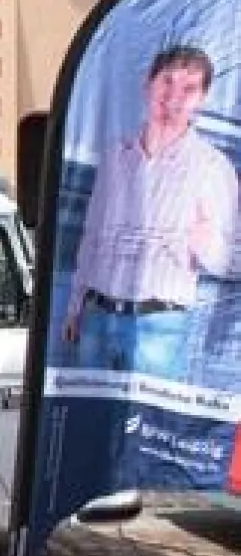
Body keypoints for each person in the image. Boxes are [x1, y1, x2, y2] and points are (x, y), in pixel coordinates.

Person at [62, 45, 238, 382]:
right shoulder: (114, 155)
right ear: (148, 84)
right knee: (89, 426)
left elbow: (236, 259)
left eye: (189, 89)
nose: (174, 96)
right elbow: (92, 234)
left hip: (161, 327)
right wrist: (74, 308)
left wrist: (206, 246)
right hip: (97, 317)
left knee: (147, 432)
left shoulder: (212, 167)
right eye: (166, 82)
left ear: (202, 98)